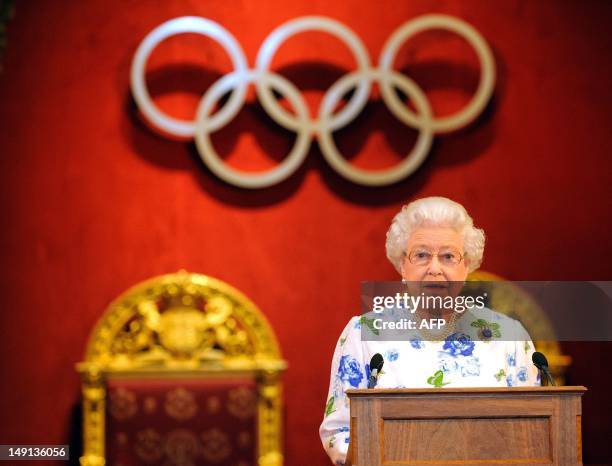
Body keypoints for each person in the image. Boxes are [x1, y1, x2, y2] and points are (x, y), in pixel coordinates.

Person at [319, 197, 540, 465]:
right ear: (403, 264)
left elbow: (533, 429)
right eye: (421, 255)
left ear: (466, 265)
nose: (434, 269)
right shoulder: (363, 333)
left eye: (448, 256)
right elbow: (340, 432)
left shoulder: (509, 336)